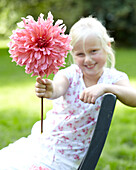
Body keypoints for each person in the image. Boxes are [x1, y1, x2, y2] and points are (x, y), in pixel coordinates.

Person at [0, 16, 136, 170]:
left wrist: (106, 88)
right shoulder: (70, 74)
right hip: (46, 142)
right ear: (72, 53)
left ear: (107, 46)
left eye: (94, 51)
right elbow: (57, 88)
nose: (88, 59)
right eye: (80, 54)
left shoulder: (113, 78)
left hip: (68, 156)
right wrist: (50, 89)